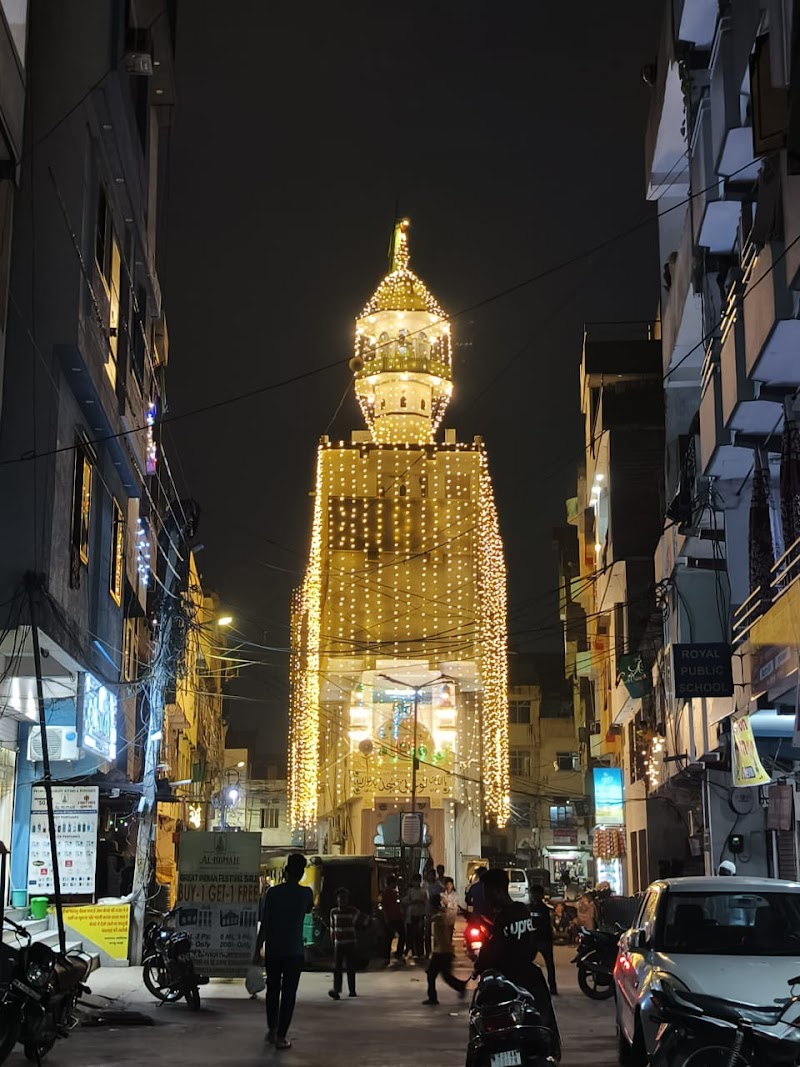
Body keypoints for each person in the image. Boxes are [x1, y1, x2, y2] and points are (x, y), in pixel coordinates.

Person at [475, 869, 559, 1049]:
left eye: (488, 891)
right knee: (544, 1023)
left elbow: (495, 951)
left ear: (497, 891)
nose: (486, 896)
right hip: (528, 976)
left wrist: (480, 964)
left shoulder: (504, 918)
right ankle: (549, 1048)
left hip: (510, 981)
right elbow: (529, 946)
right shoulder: (522, 910)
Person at [255, 852, 313, 1049]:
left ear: (286, 872)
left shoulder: (272, 893)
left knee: (272, 991)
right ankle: (281, 1036)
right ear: (301, 873)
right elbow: (308, 910)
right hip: (294, 951)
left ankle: (272, 1029)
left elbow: (265, 924)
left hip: (273, 950)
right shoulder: (306, 893)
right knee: (289, 994)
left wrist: (257, 949)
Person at [422, 903, 467, 1005]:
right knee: (445, 975)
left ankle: (433, 998)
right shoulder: (442, 916)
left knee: (432, 975)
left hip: (441, 951)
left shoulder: (438, 918)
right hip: (444, 950)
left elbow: (441, 937)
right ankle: (460, 986)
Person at [328, 887, 366, 1000]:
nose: (342, 901)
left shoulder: (353, 911)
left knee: (350, 967)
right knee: (337, 968)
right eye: (340, 898)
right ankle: (336, 990)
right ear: (337, 900)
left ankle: (352, 990)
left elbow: (363, 920)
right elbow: (332, 927)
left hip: (350, 943)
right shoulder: (333, 912)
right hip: (338, 943)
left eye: (344, 899)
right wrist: (332, 937)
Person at [529, 884, 557, 995]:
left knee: (549, 964)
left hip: (543, 939)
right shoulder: (531, 907)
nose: (533, 896)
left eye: (535, 894)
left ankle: (552, 987)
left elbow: (544, 925)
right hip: (536, 939)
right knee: (528, 963)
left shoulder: (544, 909)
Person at [381, 875, 405, 962]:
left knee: (401, 935)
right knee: (389, 937)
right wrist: (386, 917)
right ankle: (388, 954)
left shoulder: (395, 893)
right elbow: (384, 906)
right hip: (391, 917)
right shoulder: (386, 893)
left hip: (397, 917)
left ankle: (397, 953)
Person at [404, 873, 426, 958]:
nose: (416, 883)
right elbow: (406, 901)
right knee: (413, 933)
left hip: (421, 914)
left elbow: (426, 902)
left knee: (420, 934)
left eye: (417, 881)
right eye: (414, 881)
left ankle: (420, 952)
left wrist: (421, 902)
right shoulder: (411, 891)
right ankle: (414, 952)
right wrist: (412, 902)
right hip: (413, 914)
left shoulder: (423, 891)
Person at [423, 867, 444, 956]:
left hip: (436, 910)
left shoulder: (438, 884)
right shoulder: (425, 885)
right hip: (427, 910)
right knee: (427, 933)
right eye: (429, 875)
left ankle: (436, 950)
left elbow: (443, 891)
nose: (431, 877)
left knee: (437, 932)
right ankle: (428, 951)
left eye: (432, 875)